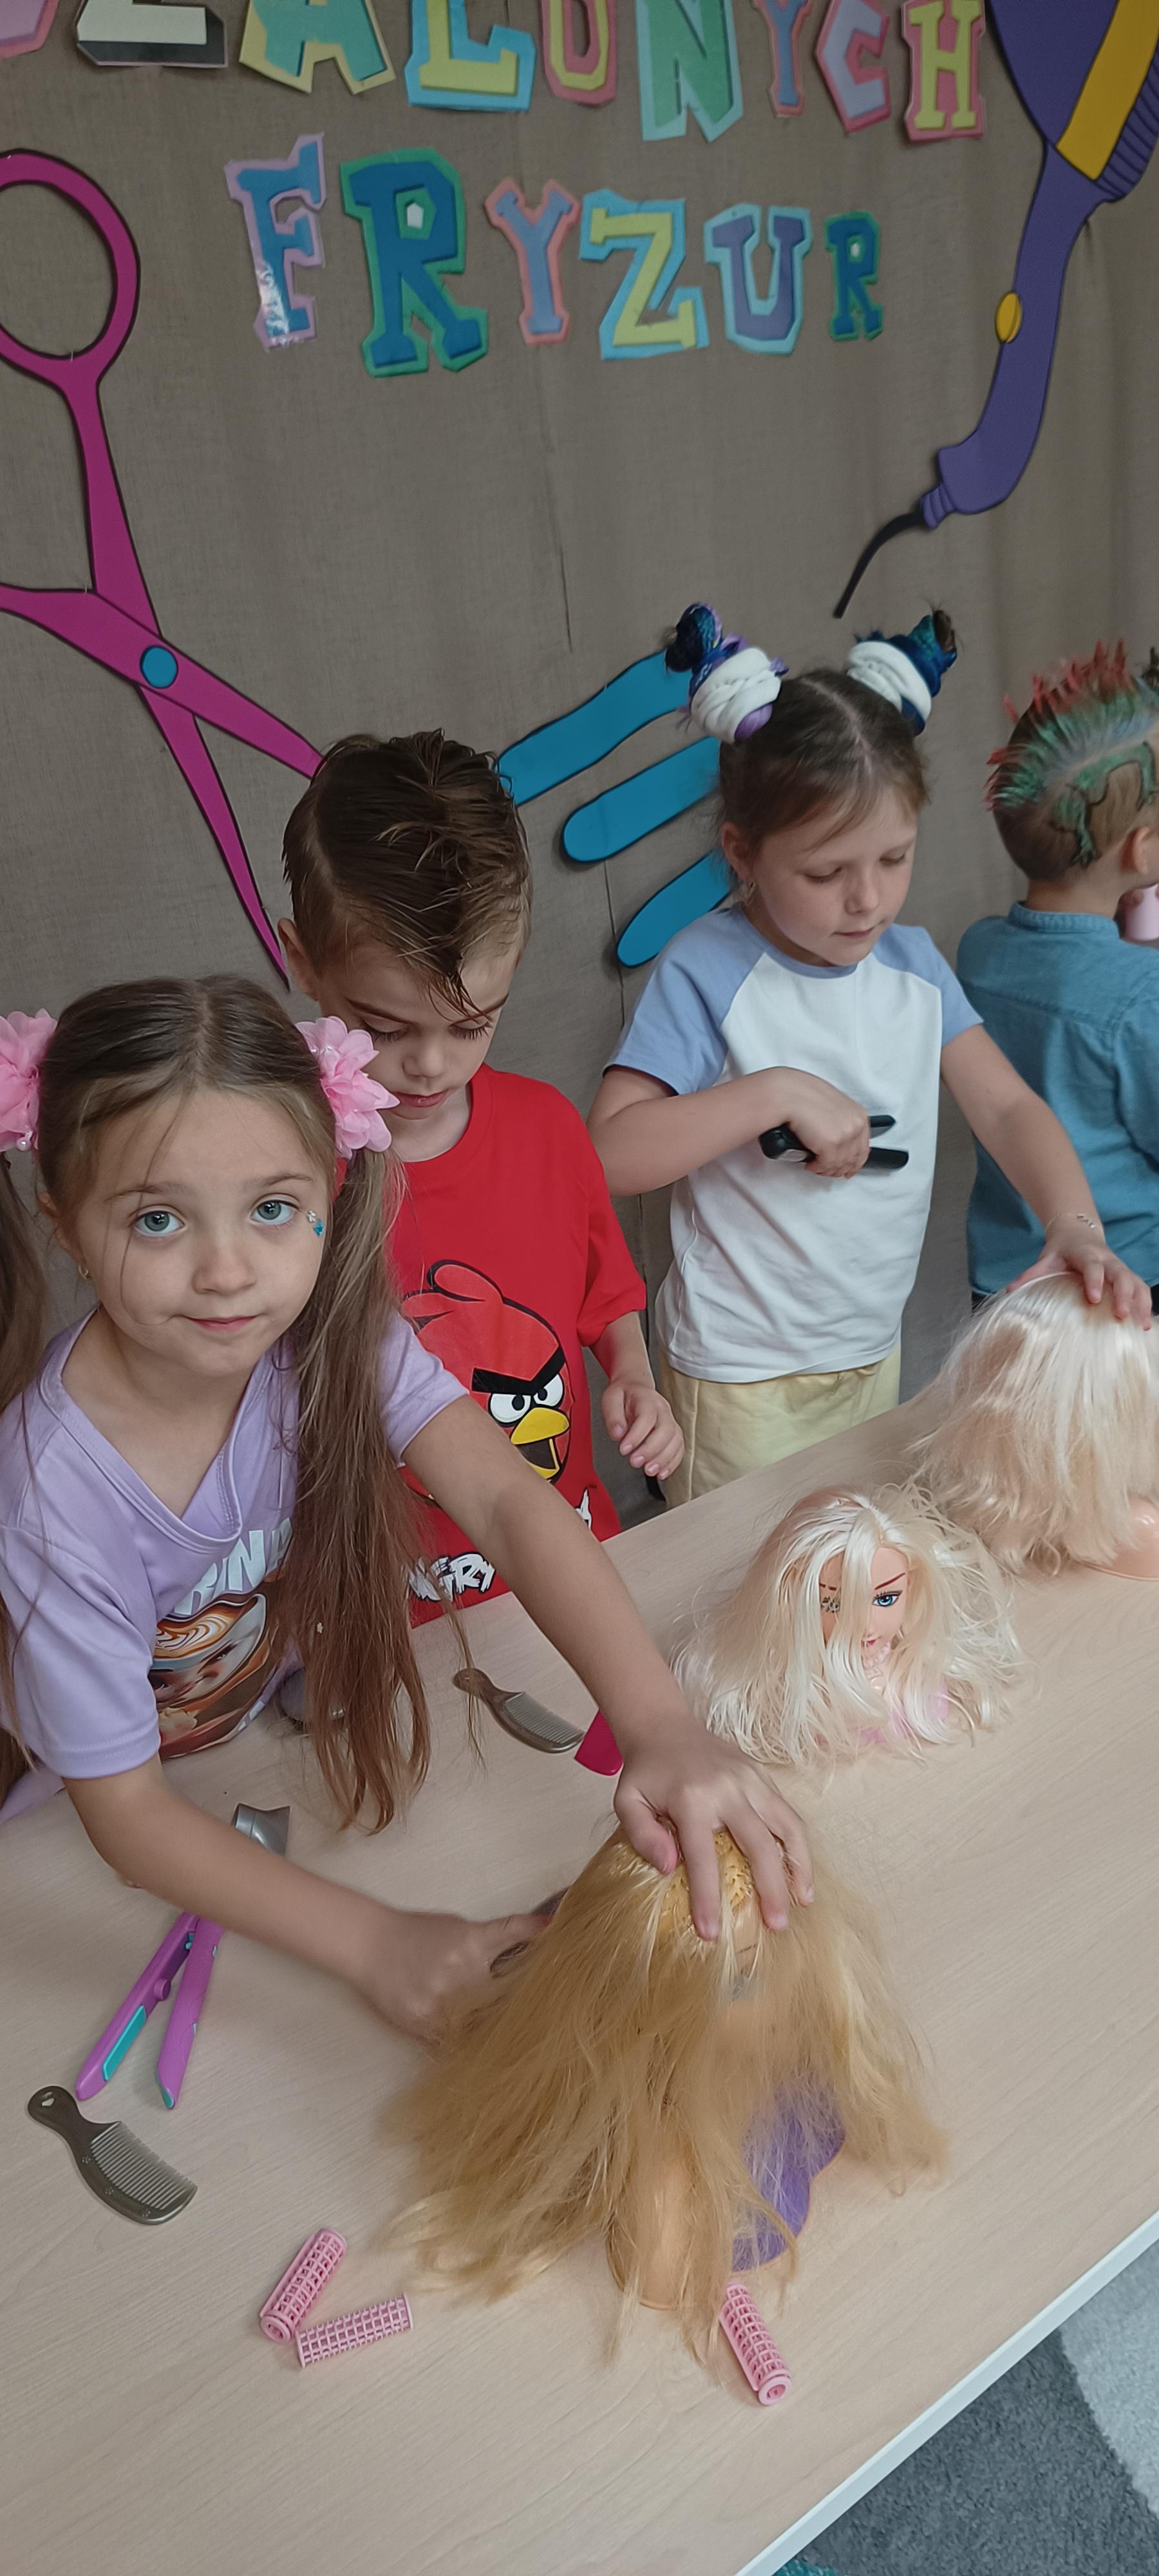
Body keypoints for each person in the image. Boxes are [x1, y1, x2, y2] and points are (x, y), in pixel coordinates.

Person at [0, 978, 811, 2041]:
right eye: (158, 1220)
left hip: (268, 1748)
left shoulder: (333, 1335)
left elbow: (505, 1501)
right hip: (86, 1825)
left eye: (273, 1208)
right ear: (64, 1224)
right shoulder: (49, 1493)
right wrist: (380, 1945)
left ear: (328, 1191)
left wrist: (660, 1724)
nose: (228, 1273)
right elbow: (127, 1815)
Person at [587, 605, 1149, 1506]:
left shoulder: (914, 965)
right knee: (742, 1577)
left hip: (869, 1355)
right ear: (742, 854)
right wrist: (774, 1091)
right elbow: (609, 1155)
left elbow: (1008, 1108)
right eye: (826, 873)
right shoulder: (708, 969)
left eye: (895, 858)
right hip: (739, 1376)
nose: (869, 901)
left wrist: (1075, 1225)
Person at [279, 731, 681, 1618]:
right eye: (387, 1028)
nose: (431, 1065)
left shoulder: (548, 1128)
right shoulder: (280, 1173)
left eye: (471, 1026)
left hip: (570, 1573)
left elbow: (604, 1292)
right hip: (390, 1614)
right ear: (302, 960)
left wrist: (634, 1375)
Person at [958, 642, 1159, 1305]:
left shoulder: (977, 951)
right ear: (1142, 851)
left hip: (1006, 1287)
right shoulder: (1142, 995)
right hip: (1123, 1283)